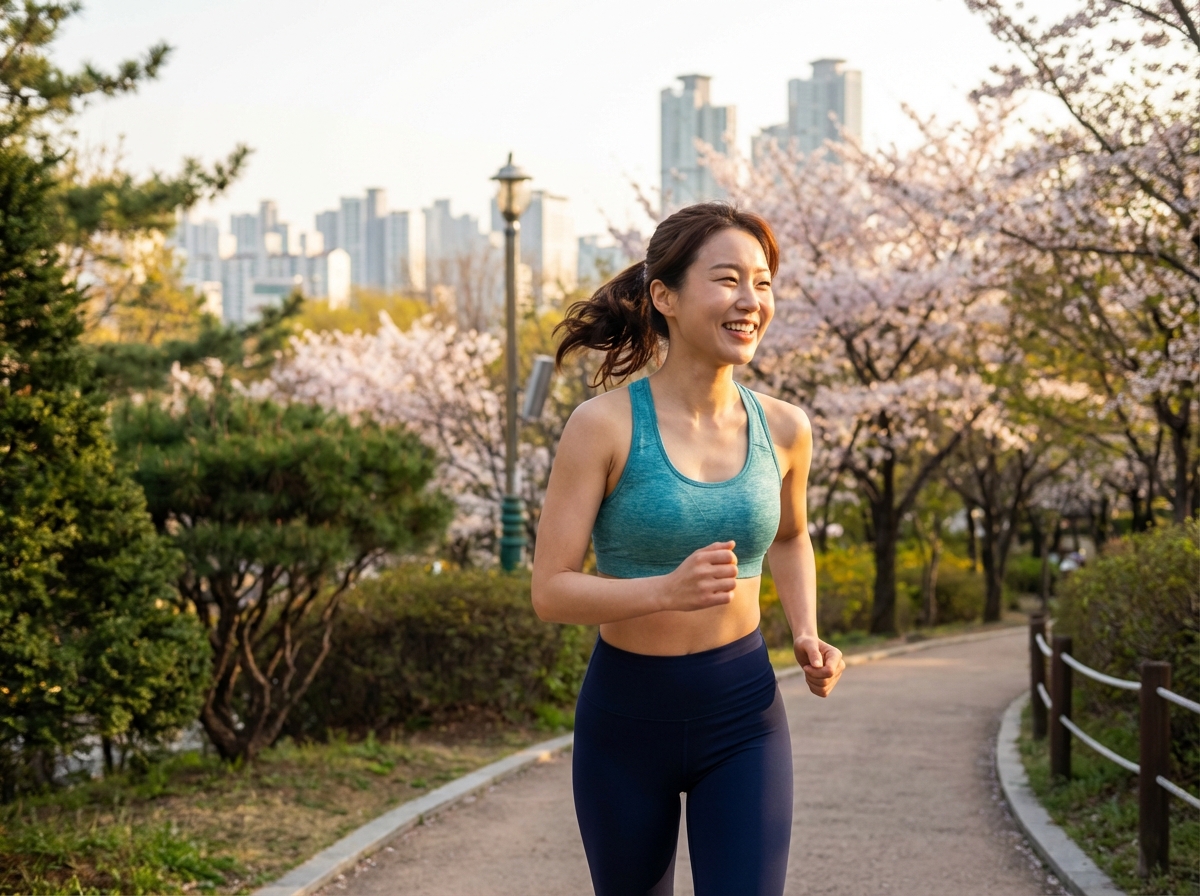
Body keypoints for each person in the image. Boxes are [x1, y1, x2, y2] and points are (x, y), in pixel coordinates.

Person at [531, 203, 846, 896]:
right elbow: (550, 590)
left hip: (742, 714)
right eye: (728, 279)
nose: (750, 301)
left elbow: (792, 538)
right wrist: (661, 591)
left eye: (762, 283)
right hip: (624, 717)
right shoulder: (603, 426)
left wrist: (805, 632)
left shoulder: (786, 429)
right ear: (664, 297)